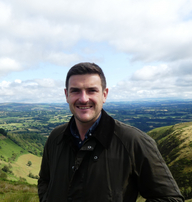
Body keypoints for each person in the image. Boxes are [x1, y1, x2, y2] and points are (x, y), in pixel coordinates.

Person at [37, 62, 184, 202]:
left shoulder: (133, 141)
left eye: (92, 90)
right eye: (75, 91)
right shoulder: (56, 137)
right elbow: (45, 181)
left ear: (104, 94)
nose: (83, 99)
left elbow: (170, 198)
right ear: (66, 95)